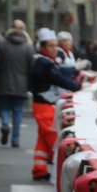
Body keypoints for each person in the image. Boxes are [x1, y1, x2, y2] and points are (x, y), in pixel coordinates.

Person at [29, 27, 80, 181]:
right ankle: (64, 177)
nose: (54, 49)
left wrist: (74, 70)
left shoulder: (41, 61)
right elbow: (59, 78)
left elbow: (60, 73)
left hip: (42, 105)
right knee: (57, 142)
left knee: (43, 141)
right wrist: (79, 87)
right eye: (51, 46)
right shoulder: (44, 63)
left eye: (55, 45)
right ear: (42, 47)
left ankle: (39, 168)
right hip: (46, 106)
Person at [0, 19, 34, 147]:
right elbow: (31, 67)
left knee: (4, 108)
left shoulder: (2, 44)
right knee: (18, 111)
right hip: (21, 85)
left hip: (3, 82)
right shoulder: (28, 47)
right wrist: (30, 84)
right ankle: (15, 139)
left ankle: (5, 124)